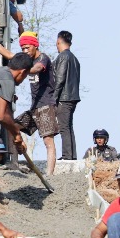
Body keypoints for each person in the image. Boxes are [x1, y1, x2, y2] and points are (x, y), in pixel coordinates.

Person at [0, 32, 59, 175]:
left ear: (35, 45)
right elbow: (8, 55)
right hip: (34, 108)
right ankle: (14, 163)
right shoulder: (27, 60)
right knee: (12, 127)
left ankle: (50, 174)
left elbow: (38, 68)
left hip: (46, 105)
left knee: (48, 140)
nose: (25, 51)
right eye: (23, 49)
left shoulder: (43, 58)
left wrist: (26, 70)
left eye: (27, 48)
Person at [53, 30, 81, 161]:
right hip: (73, 97)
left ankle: (67, 156)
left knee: (64, 127)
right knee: (69, 126)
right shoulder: (75, 59)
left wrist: (54, 98)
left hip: (64, 97)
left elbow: (60, 78)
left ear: (59, 42)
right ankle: (71, 155)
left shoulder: (63, 57)